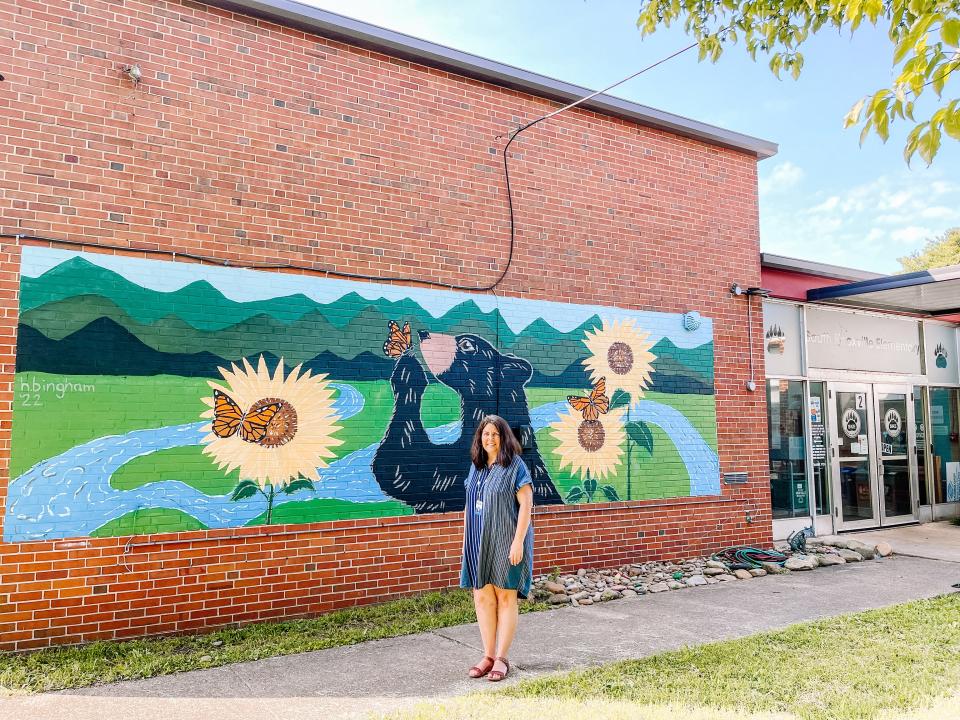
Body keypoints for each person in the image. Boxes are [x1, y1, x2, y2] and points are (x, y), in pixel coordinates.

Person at [460, 414, 534, 682]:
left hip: (506, 539)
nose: (489, 438)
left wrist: (518, 541)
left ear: (504, 438)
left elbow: (526, 505)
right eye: (485, 433)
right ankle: (488, 655)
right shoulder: (477, 466)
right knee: (482, 597)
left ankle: (502, 658)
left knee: (505, 597)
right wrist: (467, 537)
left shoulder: (515, 466)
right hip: (479, 541)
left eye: (495, 434)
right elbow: (470, 503)